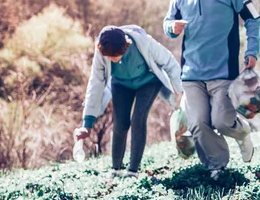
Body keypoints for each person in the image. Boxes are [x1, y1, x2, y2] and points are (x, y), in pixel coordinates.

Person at [163, 0, 260, 180]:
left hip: (223, 72)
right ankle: (217, 167)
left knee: (222, 121)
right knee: (197, 123)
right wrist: (172, 28)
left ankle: (243, 133)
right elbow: (167, 24)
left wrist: (252, 50)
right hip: (191, 73)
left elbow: (253, 18)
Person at [74, 25, 184, 178]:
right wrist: (87, 123)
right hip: (121, 85)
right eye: (109, 56)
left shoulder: (144, 42)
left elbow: (169, 61)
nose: (111, 59)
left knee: (138, 119)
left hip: (148, 82)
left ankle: (133, 171)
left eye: (115, 55)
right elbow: (96, 84)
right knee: (120, 123)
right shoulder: (102, 52)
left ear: (125, 46)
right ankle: (116, 169)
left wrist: (180, 88)